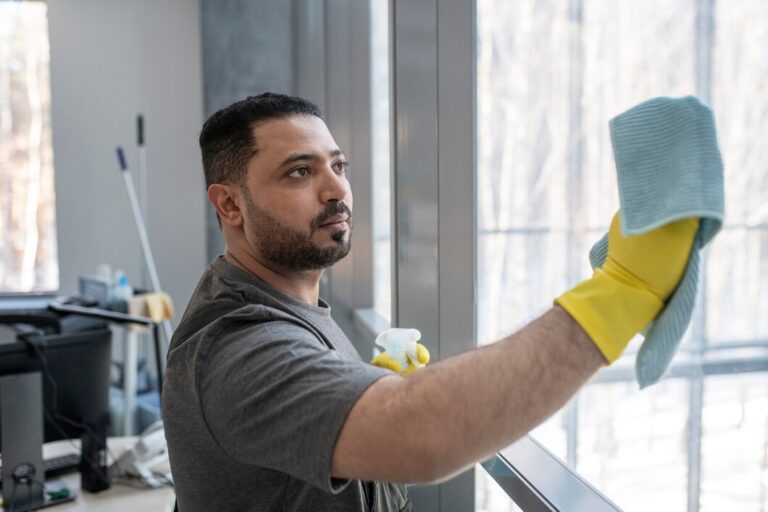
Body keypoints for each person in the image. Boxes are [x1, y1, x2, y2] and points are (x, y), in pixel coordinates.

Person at [162, 92, 698, 511]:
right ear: (230, 204)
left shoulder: (285, 300)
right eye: (300, 172)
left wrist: (360, 394)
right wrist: (621, 293)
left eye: (339, 166)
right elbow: (421, 437)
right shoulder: (233, 346)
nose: (336, 190)